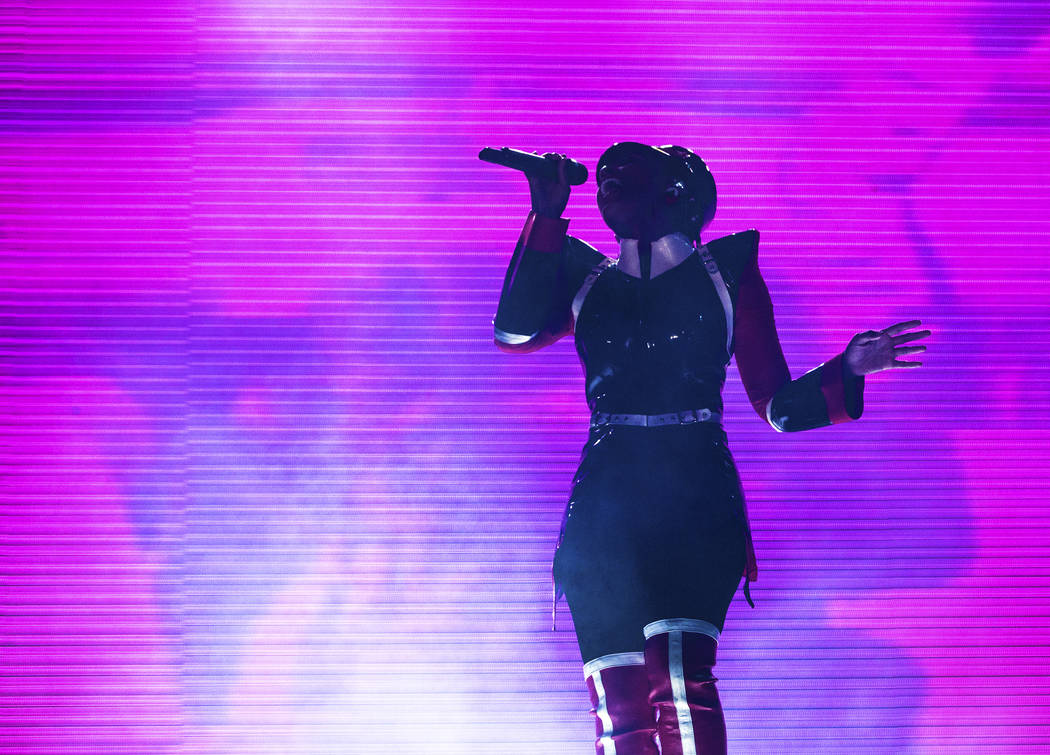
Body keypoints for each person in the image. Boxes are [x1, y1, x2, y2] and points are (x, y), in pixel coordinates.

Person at [491, 142, 930, 755]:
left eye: (629, 172)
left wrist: (847, 368)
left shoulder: (725, 278)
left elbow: (776, 405)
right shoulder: (589, 281)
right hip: (603, 500)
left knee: (677, 676)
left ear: (678, 192)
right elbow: (512, 332)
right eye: (604, 177)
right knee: (616, 702)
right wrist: (546, 209)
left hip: (693, 491)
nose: (608, 180)